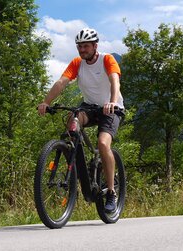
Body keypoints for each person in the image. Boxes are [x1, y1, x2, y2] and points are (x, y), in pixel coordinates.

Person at [38, 28, 124, 213]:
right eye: (79, 46)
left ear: (95, 46)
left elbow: (115, 81)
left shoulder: (107, 59)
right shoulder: (77, 63)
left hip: (112, 108)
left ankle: (110, 192)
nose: (82, 50)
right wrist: (46, 102)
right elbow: (62, 82)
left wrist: (112, 101)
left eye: (86, 46)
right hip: (90, 106)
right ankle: (77, 166)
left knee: (102, 143)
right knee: (72, 121)